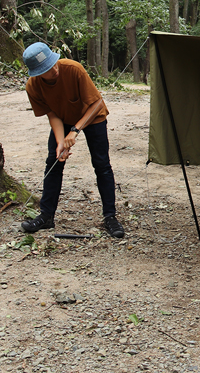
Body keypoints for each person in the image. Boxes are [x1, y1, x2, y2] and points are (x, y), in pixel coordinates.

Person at [20, 42, 125, 238]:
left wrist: (75, 131)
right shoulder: (33, 87)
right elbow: (52, 114)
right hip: (63, 118)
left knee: (101, 164)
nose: (54, 69)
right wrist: (62, 142)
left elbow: (97, 103)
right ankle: (47, 216)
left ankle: (110, 217)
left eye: (53, 63)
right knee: (53, 161)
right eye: (47, 69)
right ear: (37, 73)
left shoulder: (73, 69)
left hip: (92, 116)